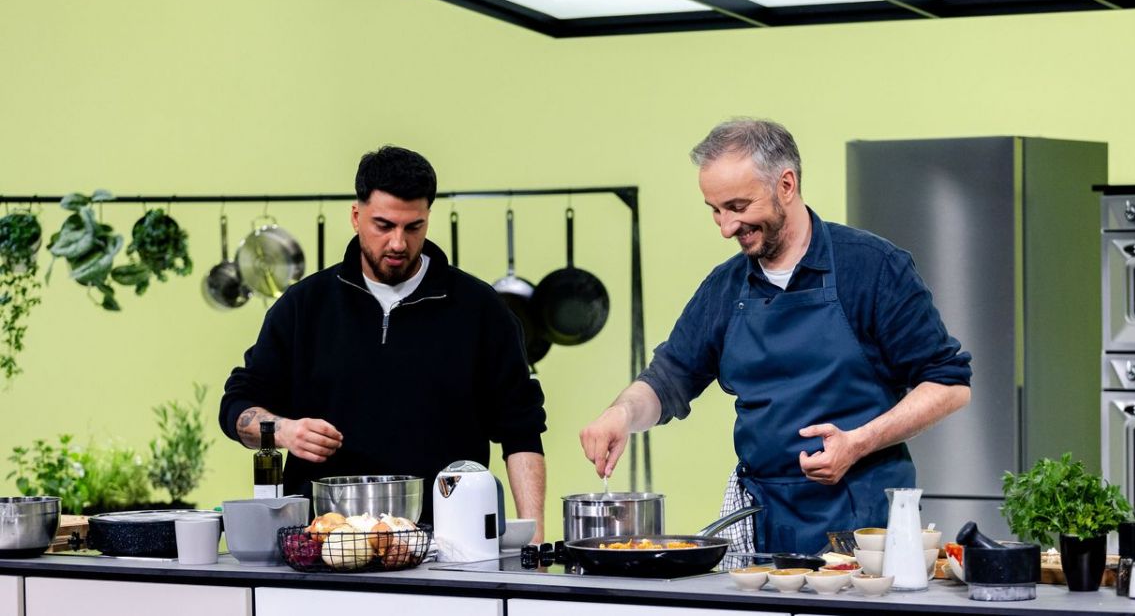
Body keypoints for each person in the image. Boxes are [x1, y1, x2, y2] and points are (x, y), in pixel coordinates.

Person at [579, 119, 972, 554]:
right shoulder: (725, 287)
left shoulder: (872, 267)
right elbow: (669, 377)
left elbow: (949, 384)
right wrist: (622, 414)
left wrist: (858, 442)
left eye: (738, 206)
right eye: (715, 210)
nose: (726, 226)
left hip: (864, 524)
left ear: (786, 185)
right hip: (761, 522)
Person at [219, 145, 547, 540]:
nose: (398, 243)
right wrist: (284, 431)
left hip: (449, 544)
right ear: (356, 216)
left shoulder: (480, 309)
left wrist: (536, 543)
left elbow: (521, 430)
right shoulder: (304, 306)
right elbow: (237, 406)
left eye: (413, 227)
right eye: (383, 225)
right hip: (323, 544)